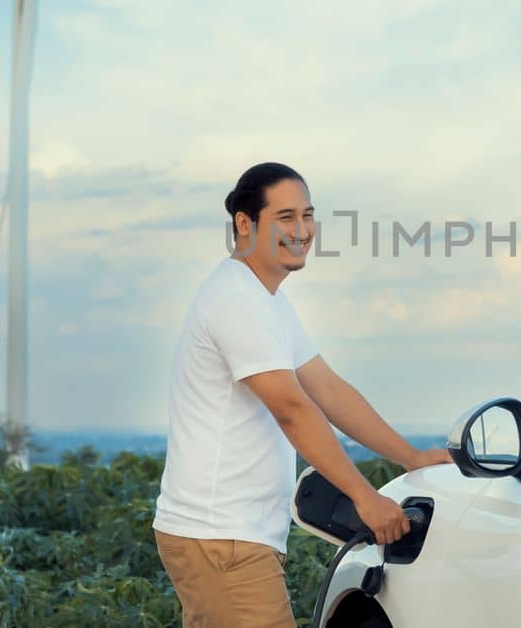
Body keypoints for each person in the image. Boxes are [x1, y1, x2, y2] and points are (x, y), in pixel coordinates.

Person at [152, 162, 451, 628]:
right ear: (245, 224)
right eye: (286, 217)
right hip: (222, 539)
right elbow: (293, 410)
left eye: (308, 215)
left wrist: (410, 456)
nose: (303, 230)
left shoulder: (266, 300)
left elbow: (328, 390)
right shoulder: (237, 299)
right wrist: (365, 497)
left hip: (230, 538)